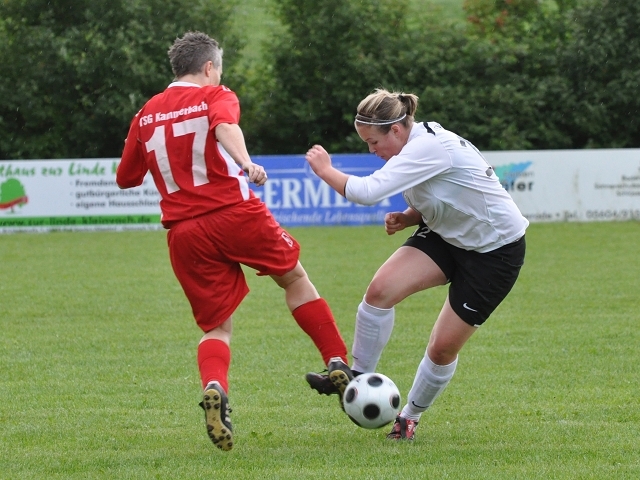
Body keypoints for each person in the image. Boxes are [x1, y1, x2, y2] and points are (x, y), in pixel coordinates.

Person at [116, 31, 352, 451]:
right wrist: (245, 163)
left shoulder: (145, 114)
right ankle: (337, 361)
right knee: (294, 279)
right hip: (233, 213)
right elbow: (225, 126)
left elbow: (126, 178)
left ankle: (215, 386)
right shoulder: (215, 95)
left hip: (184, 232)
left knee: (216, 326)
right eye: (218, 69)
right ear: (209, 67)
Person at [304, 88, 528, 441]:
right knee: (380, 291)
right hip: (446, 236)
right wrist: (411, 217)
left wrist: (324, 170)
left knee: (442, 348)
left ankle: (409, 417)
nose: (371, 150)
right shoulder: (414, 145)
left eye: (373, 141)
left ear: (396, 129)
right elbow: (448, 192)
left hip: (494, 253)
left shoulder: (427, 148)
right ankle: (356, 377)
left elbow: (366, 193)